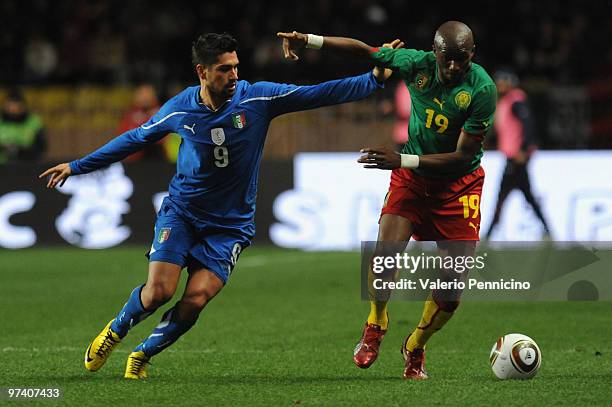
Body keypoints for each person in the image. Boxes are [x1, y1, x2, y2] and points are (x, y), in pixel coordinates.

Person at [39, 32, 394, 380]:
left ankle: (143, 353)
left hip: (230, 226)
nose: (234, 76)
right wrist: (77, 165)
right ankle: (114, 333)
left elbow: (319, 94)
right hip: (183, 212)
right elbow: (135, 138)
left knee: (196, 299)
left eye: (236, 67)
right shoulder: (179, 108)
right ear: (202, 72)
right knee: (158, 292)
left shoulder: (258, 99)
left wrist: (373, 79)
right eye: (224, 69)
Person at [278, 20, 496, 380]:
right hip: (412, 181)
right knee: (384, 258)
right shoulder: (417, 64)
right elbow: (364, 51)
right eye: (448, 59)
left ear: (471, 55)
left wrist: (401, 159)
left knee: (452, 292)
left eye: (462, 60)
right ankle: (375, 324)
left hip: (458, 186)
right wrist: (310, 40)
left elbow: (460, 157)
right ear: (435, 52)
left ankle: (416, 346)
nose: (454, 67)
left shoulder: (482, 89)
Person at [485, 68, 551, 239]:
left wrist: (524, 149)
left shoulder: (516, 101)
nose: (499, 85)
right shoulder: (506, 102)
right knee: (526, 195)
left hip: (516, 158)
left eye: (501, 82)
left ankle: (488, 234)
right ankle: (547, 230)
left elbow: (528, 125)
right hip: (513, 156)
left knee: (502, 195)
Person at [0, 89, 47, 164]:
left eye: (17, 107)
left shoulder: (34, 122)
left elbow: (41, 147)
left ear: (23, 107)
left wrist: (18, 150)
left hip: (27, 166)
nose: (13, 111)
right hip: (3, 167)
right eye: (10, 107)